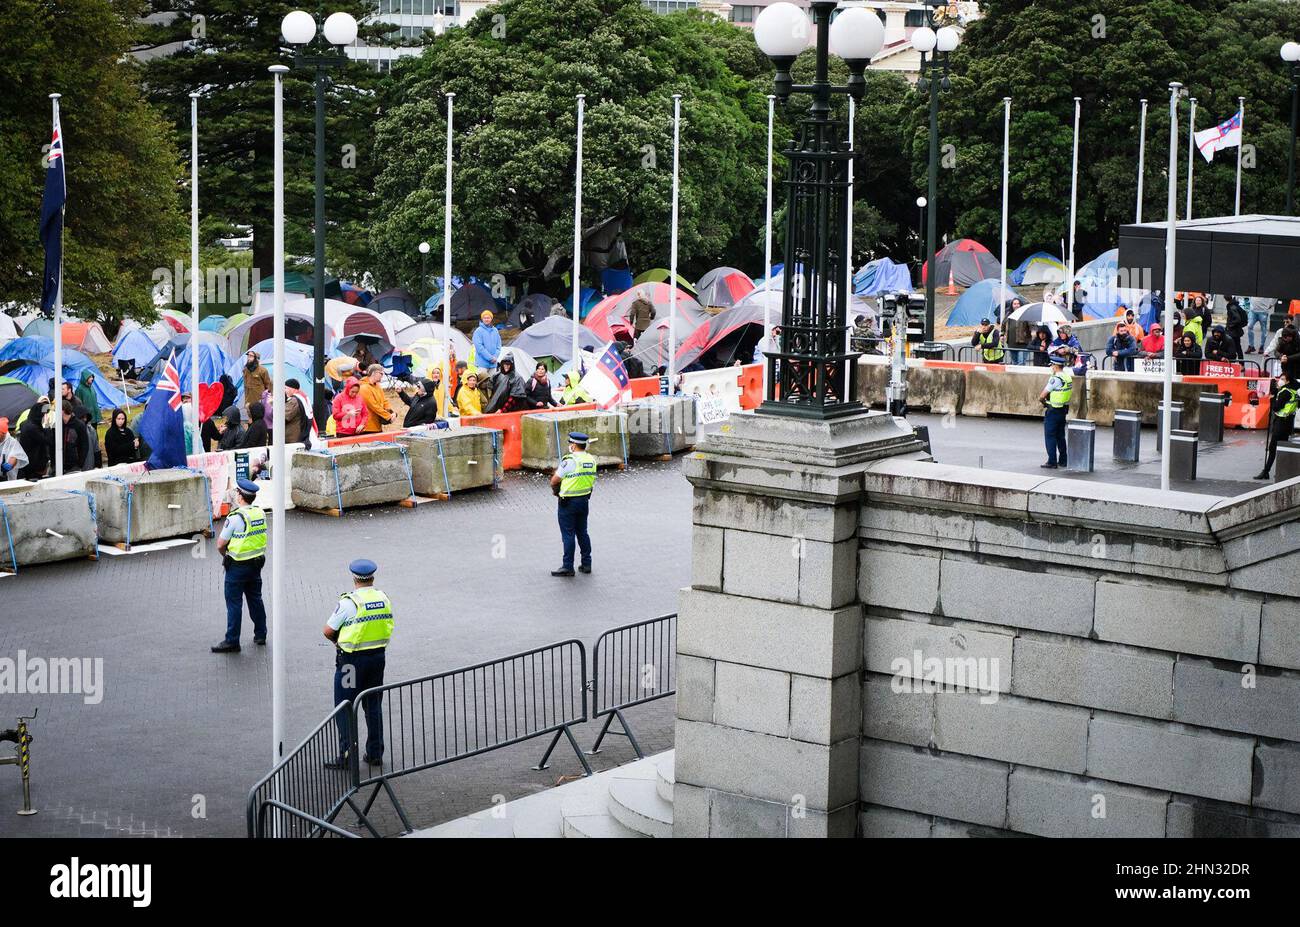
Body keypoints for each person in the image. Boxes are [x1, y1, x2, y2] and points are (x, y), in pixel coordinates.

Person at [323, 559, 394, 769]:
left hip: (351, 663)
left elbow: (327, 630)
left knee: (345, 706)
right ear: (372, 577)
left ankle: (347, 755)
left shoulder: (349, 602)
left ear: (354, 578)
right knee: (373, 706)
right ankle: (374, 753)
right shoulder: (383, 598)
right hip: (377, 659)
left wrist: (337, 641)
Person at [210, 479, 268, 653]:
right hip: (256, 564)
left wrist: (225, 556)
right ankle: (260, 634)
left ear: (240, 496)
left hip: (237, 566)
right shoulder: (260, 513)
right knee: (255, 599)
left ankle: (232, 641)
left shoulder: (235, 518)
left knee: (234, 604)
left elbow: (220, 544)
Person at [550, 432, 597, 577]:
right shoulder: (591, 459)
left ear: (574, 445)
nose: (570, 446)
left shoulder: (570, 460)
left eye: (571, 443)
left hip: (568, 503)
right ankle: (586, 563)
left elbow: (554, 480)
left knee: (568, 534)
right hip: (584, 501)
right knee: (582, 532)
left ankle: (568, 566)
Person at [1257, 368, 1299, 479]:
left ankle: (1266, 471)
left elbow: (1276, 408)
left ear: (1288, 381)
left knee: (1272, 448)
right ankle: (1282, 471)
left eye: (1282, 379)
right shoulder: (1293, 391)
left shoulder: (1284, 392)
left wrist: (1272, 398)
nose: (1279, 381)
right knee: (1283, 447)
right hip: (1288, 423)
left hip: (1280, 423)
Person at [1038, 356, 1073, 469]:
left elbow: (1042, 395)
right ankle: (1063, 460)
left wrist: (1043, 401)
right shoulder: (1067, 377)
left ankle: (1052, 461)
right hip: (1063, 409)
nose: (1051, 367)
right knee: (1060, 436)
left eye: (1052, 365)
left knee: (1050, 436)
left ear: (1055, 366)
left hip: (1053, 410)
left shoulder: (1055, 378)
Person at [17, 399, 48, 479]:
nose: (44, 416)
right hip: (34, 466)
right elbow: (46, 440)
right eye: (43, 414)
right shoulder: (33, 428)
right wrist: (46, 426)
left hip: (26, 463)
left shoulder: (25, 424)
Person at [359, 364, 394, 434]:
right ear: (373, 373)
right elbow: (374, 406)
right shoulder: (363, 387)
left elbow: (385, 401)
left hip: (377, 425)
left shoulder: (378, 386)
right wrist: (388, 416)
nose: (382, 375)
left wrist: (391, 412)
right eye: (381, 373)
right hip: (367, 427)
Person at [242, 351, 272, 417]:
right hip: (248, 400)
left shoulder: (263, 370)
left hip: (259, 401)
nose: (248, 358)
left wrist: (266, 400)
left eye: (251, 356)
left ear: (256, 359)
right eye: (248, 356)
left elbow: (268, 386)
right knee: (250, 419)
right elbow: (245, 385)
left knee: (259, 419)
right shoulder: (246, 370)